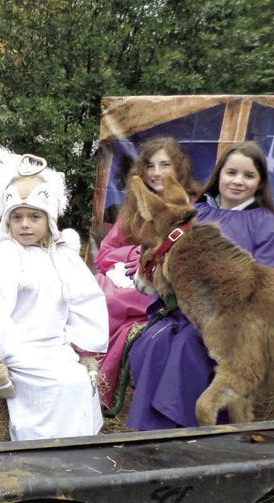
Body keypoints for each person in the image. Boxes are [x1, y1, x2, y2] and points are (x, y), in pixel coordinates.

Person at [127, 141, 274, 429]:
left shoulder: (267, 225)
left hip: (231, 321)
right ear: (219, 175)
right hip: (184, 311)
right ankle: (146, 429)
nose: (238, 181)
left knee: (187, 346)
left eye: (248, 175)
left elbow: (270, 281)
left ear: (260, 182)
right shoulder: (195, 212)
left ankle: (183, 431)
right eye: (231, 173)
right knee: (154, 341)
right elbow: (167, 256)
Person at [0, 166, 108, 439]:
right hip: (21, 350)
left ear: (49, 219)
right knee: (59, 385)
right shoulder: (6, 254)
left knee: (79, 383)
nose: (25, 224)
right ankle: (38, 448)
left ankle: (79, 449)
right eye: (17, 217)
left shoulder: (63, 257)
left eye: (34, 216)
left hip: (57, 347)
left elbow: (84, 301)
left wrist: (86, 350)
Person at [94, 137, 199, 410]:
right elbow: (105, 253)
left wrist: (151, 257)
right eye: (150, 165)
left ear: (179, 169)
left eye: (165, 165)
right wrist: (133, 255)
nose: (156, 172)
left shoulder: (189, 208)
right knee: (95, 288)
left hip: (162, 287)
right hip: (130, 276)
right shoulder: (133, 208)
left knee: (111, 300)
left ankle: (99, 383)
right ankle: (84, 362)